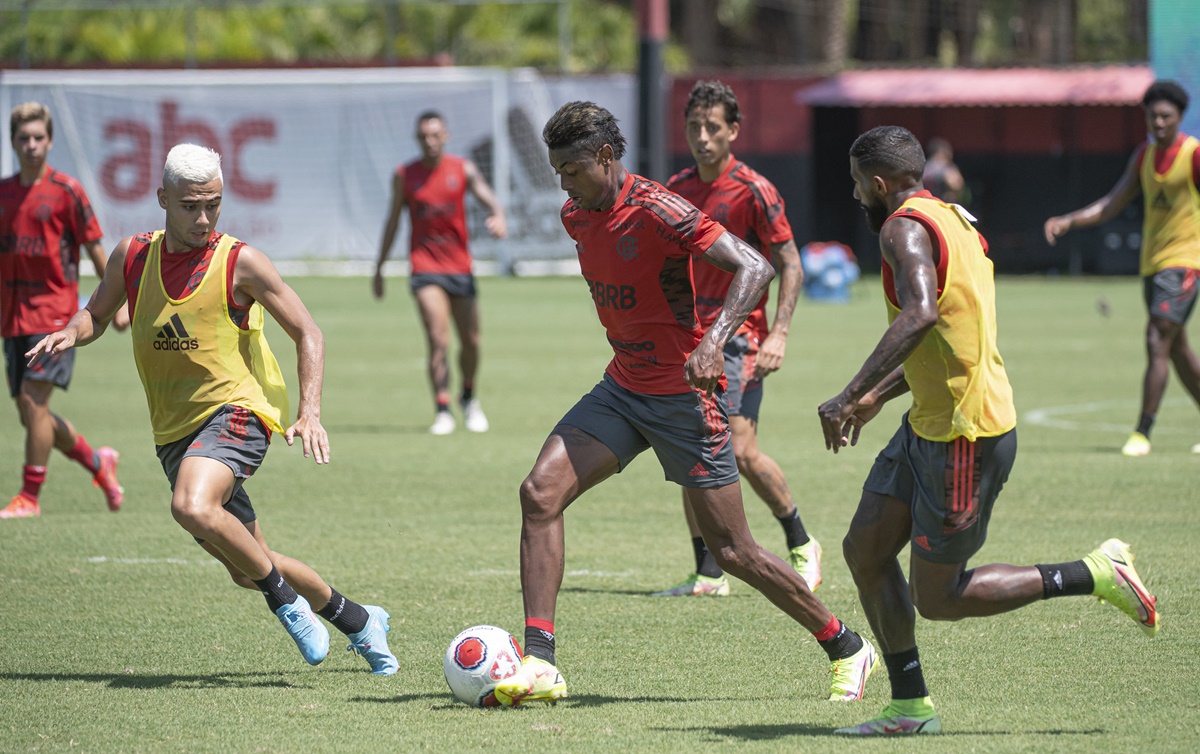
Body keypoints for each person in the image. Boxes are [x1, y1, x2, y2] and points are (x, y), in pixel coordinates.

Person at [492, 101, 878, 707]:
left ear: (605, 157)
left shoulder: (657, 208)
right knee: (540, 493)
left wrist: (715, 342)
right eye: (556, 171)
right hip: (623, 388)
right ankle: (540, 661)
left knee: (735, 553)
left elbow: (755, 265)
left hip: (684, 399)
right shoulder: (576, 214)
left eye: (570, 169)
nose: (561, 184)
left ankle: (847, 645)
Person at [819, 125, 1160, 736]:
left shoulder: (902, 227)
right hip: (930, 421)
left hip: (962, 436)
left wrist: (848, 394)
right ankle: (910, 707)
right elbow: (951, 334)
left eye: (855, 184)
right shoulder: (955, 218)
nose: (853, 196)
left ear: (877, 184)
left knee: (939, 597)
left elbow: (922, 312)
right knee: (865, 551)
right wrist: (875, 395)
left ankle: (1094, 572)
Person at [26, 143, 399, 675]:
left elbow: (307, 331)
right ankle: (361, 620)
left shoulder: (240, 261)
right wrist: (70, 331)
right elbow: (96, 315)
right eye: (189, 206)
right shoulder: (132, 255)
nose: (203, 218)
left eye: (214, 204)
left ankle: (287, 605)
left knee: (191, 507)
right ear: (161, 198)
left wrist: (310, 410)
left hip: (237, 413)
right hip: (173, 433)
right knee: (247, 565)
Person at [653, 80, 820, 597]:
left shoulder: (753, 190)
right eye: (693, 127)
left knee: (741, 451)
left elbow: (788, 262)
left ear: (733, 132)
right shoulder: (677, 187)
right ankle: (708, 572)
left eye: (712, 127)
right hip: (688, 339)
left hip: (741, 336)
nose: (702, 137)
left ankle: (801, 539)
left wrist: (781, 333)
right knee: (688, 449)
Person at [1044, 80, 1200, 457]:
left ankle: (1142, 433)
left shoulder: (1194, 155)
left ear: (1180, 117)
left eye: (1166, 116)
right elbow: (1111, 204)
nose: (1159, 123)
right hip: (1152, 265)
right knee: (1175, 348)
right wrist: (1070, 220)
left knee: (1156, 337)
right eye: (1152, 116)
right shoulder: (1143, 157)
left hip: (1185, 262)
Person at [0, 102, 126, 519]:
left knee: (34, 404)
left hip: (54, 317)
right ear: (13, 142)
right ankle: (99, 463)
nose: (31, 145)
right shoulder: (4, 193)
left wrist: (115, 303)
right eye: (23, 138)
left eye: (38, 137)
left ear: (50, 141)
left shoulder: (67, 190)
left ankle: (29, 497)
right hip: (13, 317)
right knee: (31, 415)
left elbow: (94, 248)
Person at [373, 110, 507, 435]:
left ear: (445, 136)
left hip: (460, 268)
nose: (430, 142)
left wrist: (498, 216)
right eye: (424, 137)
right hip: (425, 268)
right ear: (417, 139)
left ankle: (469, 397)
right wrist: (379, 267)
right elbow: (392, 221)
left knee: (471, 341)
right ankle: (443, 409)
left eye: (435, 135)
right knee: (438, 338)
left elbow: (492, 202)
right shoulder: (405, 175)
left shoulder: (462, 170)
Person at [921, 137, 967, 206]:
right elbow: (956, 186)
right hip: (942, 205)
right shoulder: (947, 168)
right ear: (943, 153)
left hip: (925, 204)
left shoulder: (924, 167)